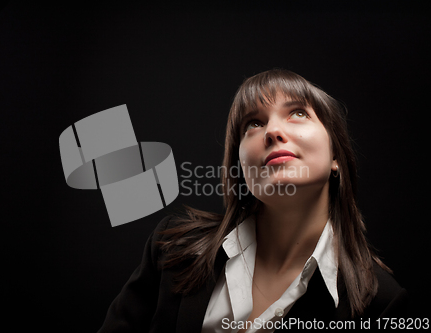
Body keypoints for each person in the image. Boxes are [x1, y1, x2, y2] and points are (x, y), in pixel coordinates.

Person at [98, 69, 408, 332]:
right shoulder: (170, 250)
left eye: (298, 113)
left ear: (336, 156)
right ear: (241, 166)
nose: (273, 130)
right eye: (253, 123)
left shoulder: (382, 306)